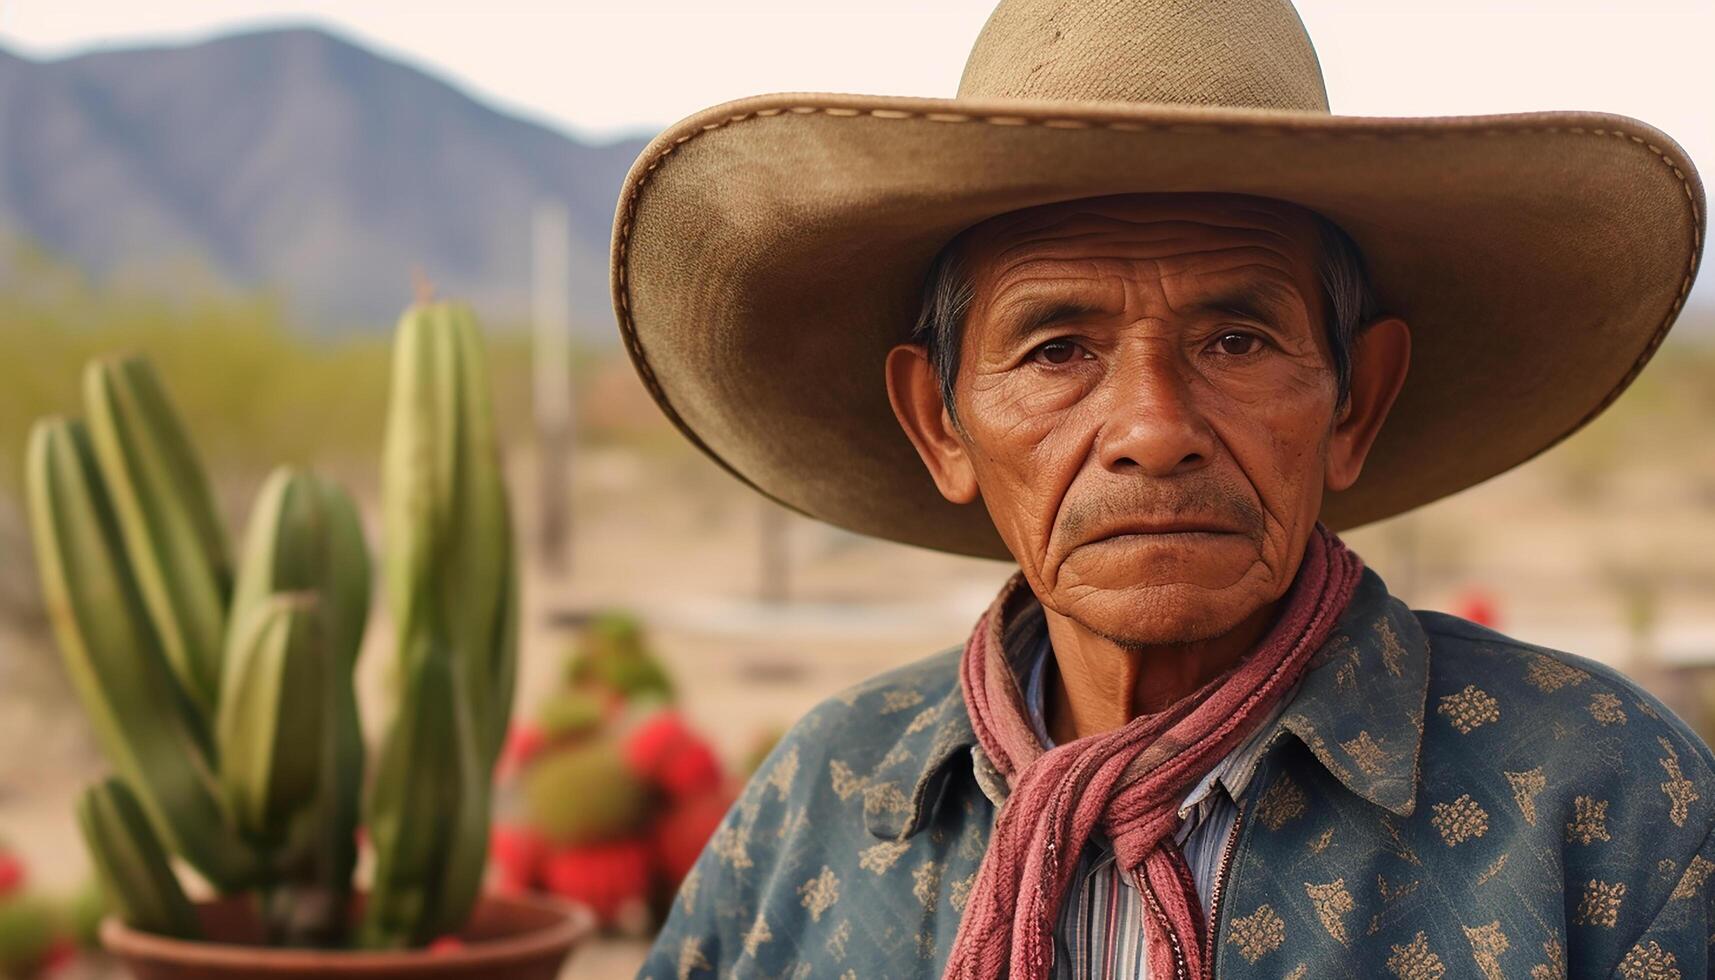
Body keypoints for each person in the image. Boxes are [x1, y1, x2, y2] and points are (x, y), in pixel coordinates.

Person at [613, 0, 1710, 975]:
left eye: (1236, 338)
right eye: (1054, 349)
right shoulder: (828, 790)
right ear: (937, 422)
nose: (1152, 428)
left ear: (1354, 402)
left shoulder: (1604, 801)